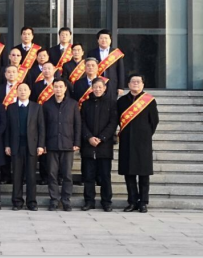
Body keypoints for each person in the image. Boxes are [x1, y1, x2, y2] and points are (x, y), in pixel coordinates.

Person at [118, 74, 159, 213]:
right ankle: (132, 202)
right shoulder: (122, 101)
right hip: (126, 141)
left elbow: (154, 121)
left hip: (143, 142)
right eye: (133, 81)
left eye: (138, 81)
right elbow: (118, 120)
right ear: (128, 84)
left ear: (143, 84)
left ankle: (143, 202)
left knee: (143, 174)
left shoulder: (149, 100)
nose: (135, 83)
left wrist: (145, 134)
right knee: (128, 174)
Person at [4, 83, 45, 211]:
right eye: (20, 90)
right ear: (16, 92)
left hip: (31, 146)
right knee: (17, 175)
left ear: (29, 92)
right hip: (16, 146)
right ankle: (17, 202)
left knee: (31, 175)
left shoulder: (37, 107)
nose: (22, 92)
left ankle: (31, 202)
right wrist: (7, 145)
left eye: (25, 90)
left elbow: (41, 128)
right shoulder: (11, 108)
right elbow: (7, 128)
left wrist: (41, 145)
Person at [80, 77, 118, 212]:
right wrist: (89, 137)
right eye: (95, 87)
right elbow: (82, 123)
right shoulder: (86, 104)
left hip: (104, 145)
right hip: (88, 145)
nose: (97, 89)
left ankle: (106, 202)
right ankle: (89, 201)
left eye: (100, 87)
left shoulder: (112, 103)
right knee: (88, 175)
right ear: (91, 88)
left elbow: (113, 123)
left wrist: (102, 138)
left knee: (105, 176)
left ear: (105, 88)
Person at [43, 78, 81, 211]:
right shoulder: (47, 105)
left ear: (65, 88)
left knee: (67, 175)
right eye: (56, 87)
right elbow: (43, 126)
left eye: (61, 87)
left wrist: (77, 142)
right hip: (51, 144)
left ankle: (66, 200)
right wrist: (43, 144)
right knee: (52, 174)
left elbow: (77, 124)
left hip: (67, 144)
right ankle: (54, 200)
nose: (58, 89)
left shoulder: (73, 104)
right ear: (52, 88)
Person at [87, 29, 125, 100]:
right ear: (98, 40)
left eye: (106, 38)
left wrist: (121, 86)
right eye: (101, 38)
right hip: (96, 85)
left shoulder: (116, 53)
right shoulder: (91, 53)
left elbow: (120, 70)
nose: (103, 40)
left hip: (112, 84)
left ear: (110, 40)